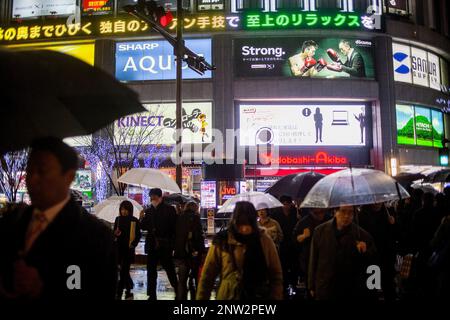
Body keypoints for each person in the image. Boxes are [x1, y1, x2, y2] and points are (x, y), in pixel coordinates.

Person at [0, 137, 117, 299]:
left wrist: (44, 288)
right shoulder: (11, 222)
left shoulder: (95, 236)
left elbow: (95, 291)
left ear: (68, 177)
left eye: (42, 171)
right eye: (29, 171)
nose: (31, 179)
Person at [196, 201, 283, 300]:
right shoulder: (222, 240)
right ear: (235, 222)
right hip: (228, 296)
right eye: (241, 224)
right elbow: (207, 275)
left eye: (248, 224)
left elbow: (276, 274)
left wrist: (276, 296)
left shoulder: (264, 240)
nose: (245, 229)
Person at [308, 205, 377, 300]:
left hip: (350, 289)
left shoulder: (362, 236)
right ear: (335, 212)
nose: (346, 216)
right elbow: (313, 259)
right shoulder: (320, 231)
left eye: (350, 212)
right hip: (326, 287)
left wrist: (365, 252)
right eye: (343, 211)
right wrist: (311, 285)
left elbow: (373, 265)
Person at [140, 188, 178, 300]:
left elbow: (174, 227)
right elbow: (143, 227)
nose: (152, 199)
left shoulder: (169, 209)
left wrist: (172, 244)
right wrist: (141, 218)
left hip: (165, 245)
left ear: (160, 197)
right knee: (151, 271)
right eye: (151, 197)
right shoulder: (149, 211)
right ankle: (152, 294)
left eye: (154, 197)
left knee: (169, 268)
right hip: (152, 245)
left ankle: (177, 289)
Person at [358, 203, 397, 301]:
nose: (378, 203)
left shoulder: (389, 212)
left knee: (388, 285)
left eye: (380, 200)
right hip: (372, 257)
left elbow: (396, 235)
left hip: (387, 256)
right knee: (372, 287)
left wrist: (393, 224)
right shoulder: (362, 215)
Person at [293, 207, 329, 294]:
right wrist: (303, 236)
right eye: (317, 212)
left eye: (322, 211)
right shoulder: (304, 222)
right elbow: (294, 239)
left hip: (326, 258)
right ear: (311, 211)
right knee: (310, 287)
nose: (320, 214)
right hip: (308, 259)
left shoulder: (329, 219)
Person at [174, 201, 205, 300]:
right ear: (195, 208)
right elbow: (198, 236)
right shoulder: (195, 218)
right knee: (194, 278)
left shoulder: (179, 217)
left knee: (182, 281)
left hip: (181, 252)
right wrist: (201, 250)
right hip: (193, 253)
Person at [271, 195, 299, 296]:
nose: (286, 206)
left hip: (293, 243)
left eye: (288, 203)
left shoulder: (295, 213)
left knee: (294, 265)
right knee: (283, 265)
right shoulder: (276, 214)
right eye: (284, 204)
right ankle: (285, 284)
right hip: (282, 244)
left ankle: (294, 284)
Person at [113, 200, 141, 300]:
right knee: (122, 270)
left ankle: (119, 291)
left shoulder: (134, 221)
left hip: (128, 249)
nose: (123, 211)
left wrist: (133, 244)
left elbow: (138, 235)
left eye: (126, 210)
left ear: (130, 210)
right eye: (122, 209)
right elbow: (114, 234)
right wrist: (116, 233)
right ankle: (129, 286)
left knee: (124, 270)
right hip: (119, 248)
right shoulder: (118, 219)